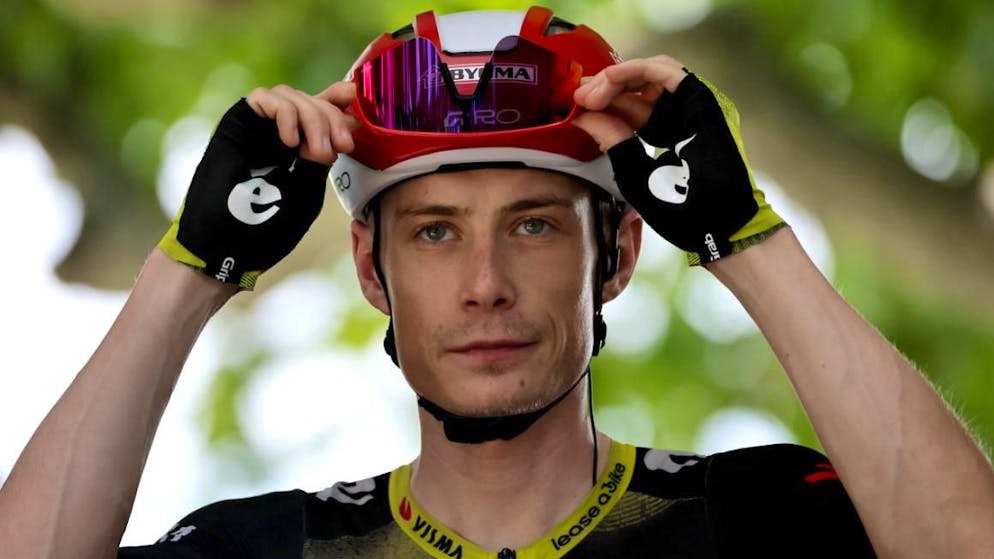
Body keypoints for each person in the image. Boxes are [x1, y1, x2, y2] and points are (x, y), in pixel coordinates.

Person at [1, 5, 992, 558]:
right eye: (434, 232)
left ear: (618, 255)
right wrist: (193, 268)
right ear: (370, 268)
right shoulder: (266, 548)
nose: (485, 283)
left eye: (533, 224)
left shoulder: (760, 517)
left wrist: (743, 238)